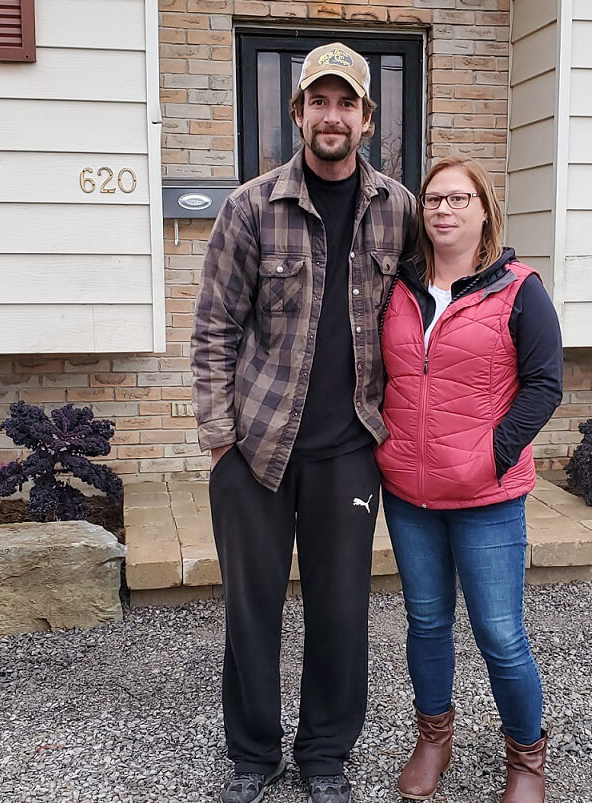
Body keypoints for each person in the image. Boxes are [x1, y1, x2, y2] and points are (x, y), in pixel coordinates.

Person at [192, 42, 416, 803]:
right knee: (250, 609)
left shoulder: (399, 210)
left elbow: (432, 299)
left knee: (340, 611)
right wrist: (219, 438)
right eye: (318, 102)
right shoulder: (250, 207)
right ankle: (253, 755)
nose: (332, 115)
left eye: (345, 103)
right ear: (298, 114)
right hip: (255, 447)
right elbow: (213, 328)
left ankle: (325, 755)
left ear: (366, 118)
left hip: (349, 447)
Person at [375, 156, 563, 803]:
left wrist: (494, 455)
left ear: (484, 209)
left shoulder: (518, 288)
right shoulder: (396, 287)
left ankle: (526, 759)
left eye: (458, 199)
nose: (443, 210)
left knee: (500, 634)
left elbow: (545, 385)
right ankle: (433, 738)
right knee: (426, 623)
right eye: (433, 199)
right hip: (409, 496)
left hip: (485, 496)